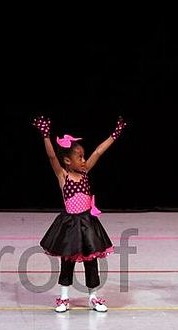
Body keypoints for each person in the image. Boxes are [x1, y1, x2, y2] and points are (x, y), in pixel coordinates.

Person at [32, 115, 126, 312]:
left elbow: (99, 152)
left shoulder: (85, 173)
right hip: (70, 225)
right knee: (68, 262)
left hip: (87, 223)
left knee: (91, 261)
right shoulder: (63, 175)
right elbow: (51, 157)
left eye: (84, 157)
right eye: (80, 157)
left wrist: (115, 135)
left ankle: (93, 296)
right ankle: (64, 297)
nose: (84, 160)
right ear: (67, 160)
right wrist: (45, 136)